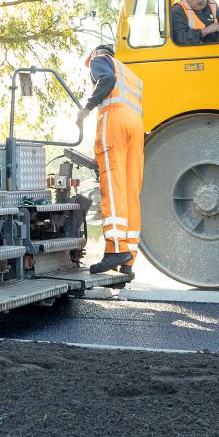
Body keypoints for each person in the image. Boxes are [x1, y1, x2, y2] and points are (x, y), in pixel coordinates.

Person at [75, 45, 143, 273]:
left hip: (114, 121)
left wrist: (86, 109)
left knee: (113, 187)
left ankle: (114, 250)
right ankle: (128, 258)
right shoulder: (131, 75)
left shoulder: (99, 60)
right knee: (130, 191)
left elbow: (106, 79)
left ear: (95, 54)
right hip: (136, 126)